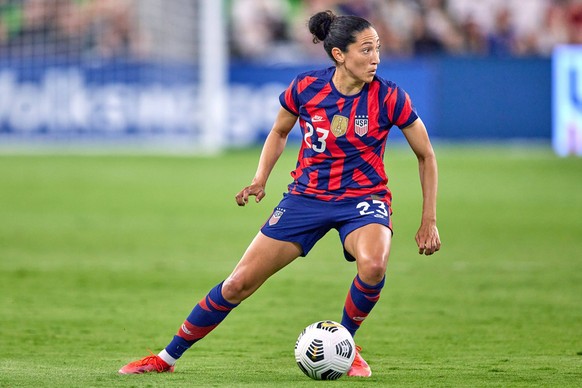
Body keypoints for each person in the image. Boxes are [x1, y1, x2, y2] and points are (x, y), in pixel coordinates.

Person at [118, 9, 441, 378]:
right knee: (238, 283)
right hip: (305, 199)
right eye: (366, 50)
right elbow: (278, 132)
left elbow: (425, 154)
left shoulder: (389, 97)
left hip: (362, 201)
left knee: (373, 264)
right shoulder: (306, 87)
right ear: (339, 54)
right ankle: (165, 358)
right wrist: (260, 179)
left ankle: (346, 345)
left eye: (378, 48)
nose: (376, 59)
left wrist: (428, 219)